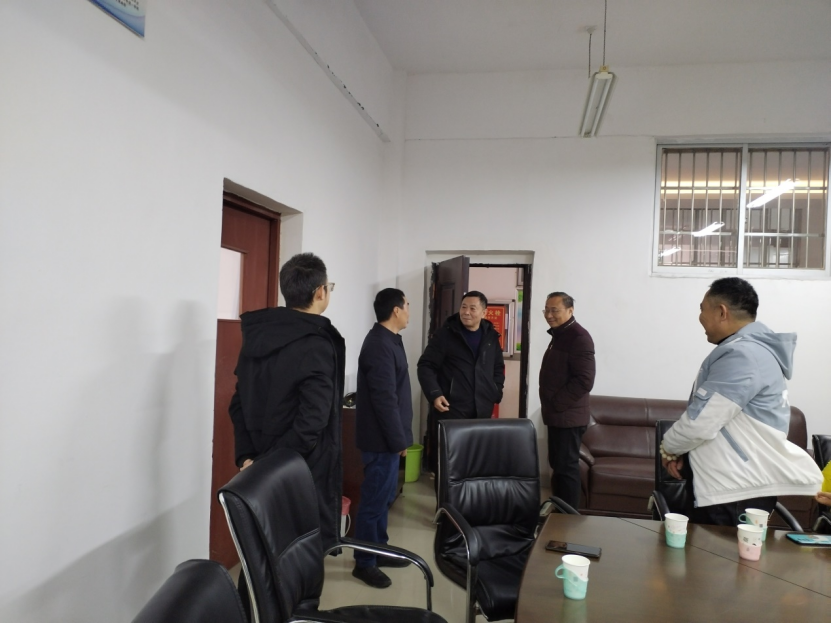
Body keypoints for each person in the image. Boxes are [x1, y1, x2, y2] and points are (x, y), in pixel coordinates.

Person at [661, 277, 822, 526]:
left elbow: (701, 421)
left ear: (721, 312)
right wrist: (686, 451)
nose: (700, 317)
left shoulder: (743, 355)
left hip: (734, 488)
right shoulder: (752, 350)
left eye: (702, 309)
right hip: (735, 485)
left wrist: (669, 448)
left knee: (719, 552)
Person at [228, 252, 345, 549]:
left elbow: (238, 403)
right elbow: (312, 422)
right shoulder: (316, 343)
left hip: (259, 465)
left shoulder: (258, 334)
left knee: (264, 552)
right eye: (329, 287)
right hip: (299, 473)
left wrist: (248, 458)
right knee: (295, 558)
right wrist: (266, 465)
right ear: (320, 292)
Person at [351, 288, 414, 589]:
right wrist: (399, 440)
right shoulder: (379, 344)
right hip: (380, 440)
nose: (409, 311)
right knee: (373, 501)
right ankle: (364, 563)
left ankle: (379, 550)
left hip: (388, 438)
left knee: (384, 498)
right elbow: (384, 399)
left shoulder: (390, 340)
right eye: (407, 305)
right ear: (396, 310)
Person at [417, 291, 505, 475]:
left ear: (484, 312)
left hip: (482, 408)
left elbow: (498, 367)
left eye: (472, 308)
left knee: (476, 458)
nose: (466, 312)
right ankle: (445, 494)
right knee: (449, 460)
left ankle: (471, 493)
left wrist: (495, 391)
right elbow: (426, 365)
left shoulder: (490, 337)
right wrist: (435, 394)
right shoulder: (446, 335)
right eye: (463, 307)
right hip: (452, 408)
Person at [539, 292, 596, 510]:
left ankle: (569, 518)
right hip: (558, 416)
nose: (549, 315)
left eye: (554, 310)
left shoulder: (579, 337)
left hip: (567, 417)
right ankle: (559, 510)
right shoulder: (560, 335)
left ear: (570, 311)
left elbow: (584, 380)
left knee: (566, 469)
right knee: (558, 466)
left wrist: (557, 404)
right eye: (546, 310)